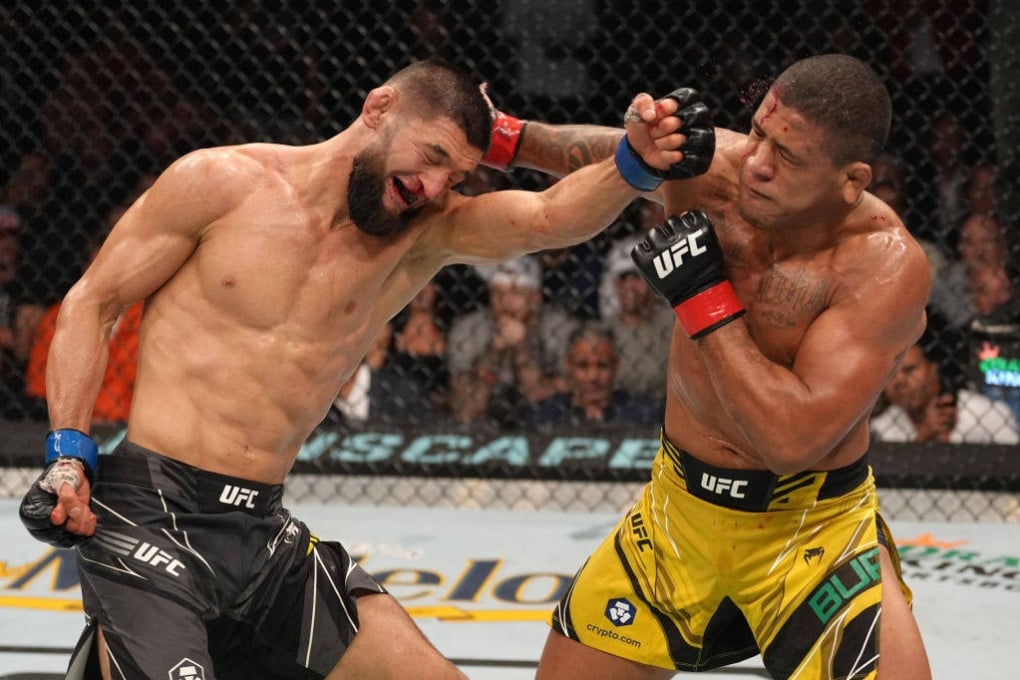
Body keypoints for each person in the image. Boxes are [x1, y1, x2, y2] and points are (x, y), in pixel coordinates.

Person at [17, 58, 704, 680]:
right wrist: (69, 456)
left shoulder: (421, 238)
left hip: (261, 530)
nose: (433, 187)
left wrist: (634, 164)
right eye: (431, 155)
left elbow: (549, 215)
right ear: (378, 108)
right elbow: (93, 304)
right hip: (149, 509)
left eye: (456, 176)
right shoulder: (220, 183)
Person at [501, 53, 933, 678]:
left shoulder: (883, 266)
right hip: (678, 512)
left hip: (811, 530)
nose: (756, 162)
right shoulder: (722, 170)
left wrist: (704, 299)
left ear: (852, 179)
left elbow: (792, 438)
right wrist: (502, 137)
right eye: (758, 131)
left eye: (787, 157)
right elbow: (609, 153)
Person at [447, 255, 578, 427]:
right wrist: (496, 350)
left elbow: (537, 393)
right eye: (498, 293)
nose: (506, 302)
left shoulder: (561, 329)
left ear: (536, 298)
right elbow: (468, 409)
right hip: (484, 420)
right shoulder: (468, 330)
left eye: (516, 293)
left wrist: (521, 346)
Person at [871, 340, 1019, 444]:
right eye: (890, 375)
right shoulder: (880, 426)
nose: (899, 381)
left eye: (910, 370)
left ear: (933, 371)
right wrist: (924, 437)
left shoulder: (984, 411)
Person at [523, 321, 663, 429]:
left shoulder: (644, 414)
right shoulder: (544, 415)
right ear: (569, 364)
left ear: (615, 366)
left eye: (602, 366)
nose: (593, 377)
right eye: (583, 366)